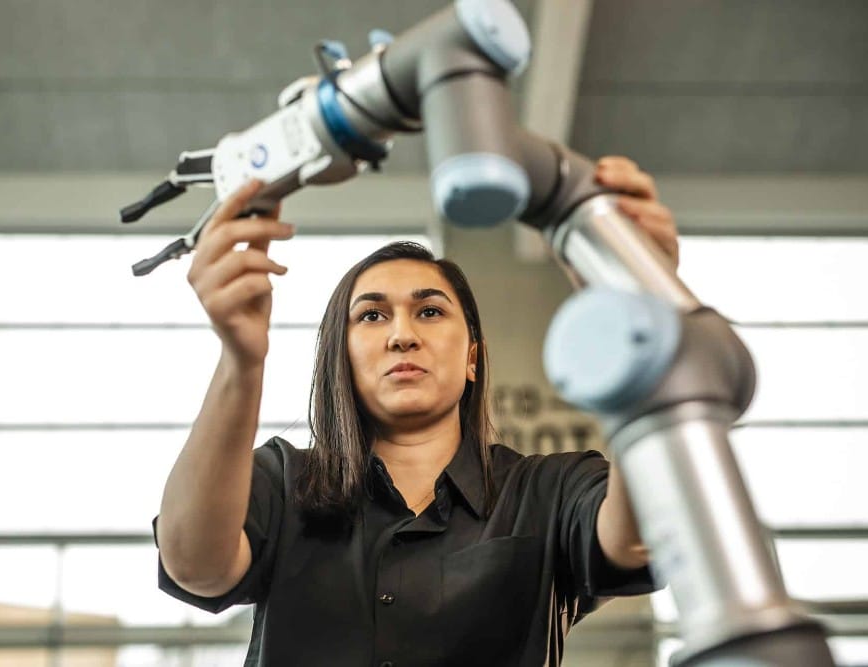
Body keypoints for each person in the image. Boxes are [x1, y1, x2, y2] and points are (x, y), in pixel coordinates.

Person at [154, 157, 679, 666]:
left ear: (472, 357)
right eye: (373, 315)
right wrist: (242, 361)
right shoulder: (283, 481)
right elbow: (196, 565)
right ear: (343, 357)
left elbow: (637, 536)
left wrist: (640, 338)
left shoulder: (552, 491)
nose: (403, 335)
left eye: (429, 311)